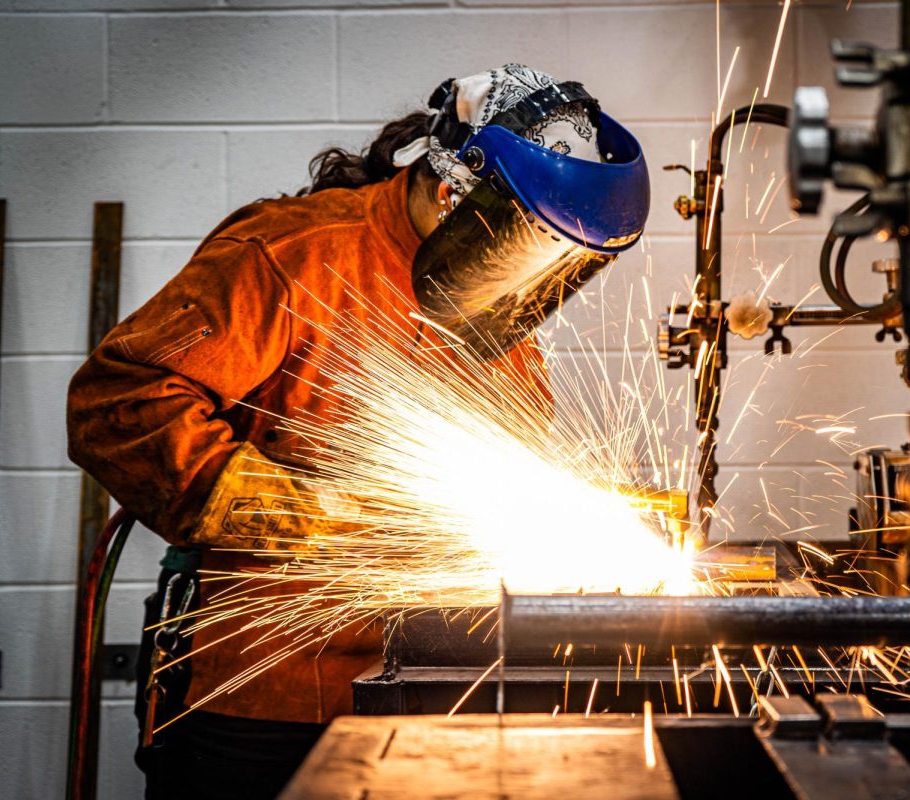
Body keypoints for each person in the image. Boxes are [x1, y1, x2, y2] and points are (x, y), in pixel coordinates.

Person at [66, 63, 649, 799]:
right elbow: (118, 400)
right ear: (452, 192)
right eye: (525, 240)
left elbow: (514, 458)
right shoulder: (292, 254)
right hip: (266, 695)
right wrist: (308, 514)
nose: (528, 270)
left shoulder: (499, 311)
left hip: (438, 694)